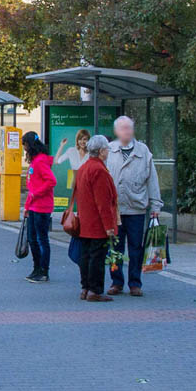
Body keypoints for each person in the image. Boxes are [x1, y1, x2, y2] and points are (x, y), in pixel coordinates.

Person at [105, 116, 163, 297]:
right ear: (116, 131)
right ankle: (116, 281)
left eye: (129, 128)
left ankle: (135, 283)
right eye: (122, 129)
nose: (126, 132)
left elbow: (152, 180)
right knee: (115, 248)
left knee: (136, 248)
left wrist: (156, 205)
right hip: (115, 210)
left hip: (136, 209)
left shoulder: (143, 151)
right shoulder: (110, 150)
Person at [74, 135, 119, 302]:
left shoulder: (84, 167)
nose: (108, 152)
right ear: (101, 151)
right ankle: (95, 290)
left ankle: (85, 288)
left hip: (85, 221)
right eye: (107, 149)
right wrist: (109, 226)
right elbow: (104, 202)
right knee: (97, 258)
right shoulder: (99, 170)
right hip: (97, 223)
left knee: (85, 256)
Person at [22, 132, 57, 283]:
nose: (24, 149)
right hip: (34, 206)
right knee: (32, 239)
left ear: (30, 145)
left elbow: (51, 181)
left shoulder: (40, 161)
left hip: (42, 206)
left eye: (25, 145)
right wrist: (27, 206)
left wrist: (36, 193)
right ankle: (36, 268)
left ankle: (43, 270)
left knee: (41, 239)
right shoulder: (36, 161)